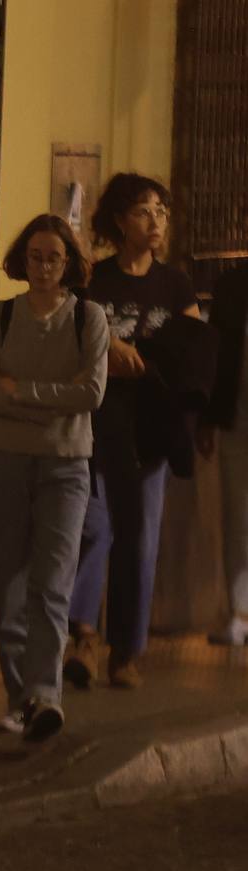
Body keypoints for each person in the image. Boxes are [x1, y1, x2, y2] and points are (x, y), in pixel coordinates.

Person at [0, 215, 107, 739]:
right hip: (3, 462)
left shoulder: (87, 319)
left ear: (70, 262)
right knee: (10, 587)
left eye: (54, 256)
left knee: (53, 586)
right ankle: (17, 697)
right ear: (21, 260)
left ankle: (45, 697)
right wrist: (52, 401)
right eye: (35, 256)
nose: (45, 266)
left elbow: (90, 394)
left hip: (66, 465)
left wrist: (20, 393)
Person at [65, 174, 200, 690]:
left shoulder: (176, 286)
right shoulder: (95, 282)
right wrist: (105, 352)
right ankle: (83, 636)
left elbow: (192, 356)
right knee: (94, 527)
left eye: (162, 211)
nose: (156, 221)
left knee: (139, 541)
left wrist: (147, 362)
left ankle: (127, 651)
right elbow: (73, 344)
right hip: (98, 426)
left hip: (152, 429)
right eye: (145, 211)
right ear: (121, 220)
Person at [198, 260, 248, 646]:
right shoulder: (232, 284)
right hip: (238, 417)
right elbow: (215, 352)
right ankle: (239, 612)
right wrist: (209, 417)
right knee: (238, 518)